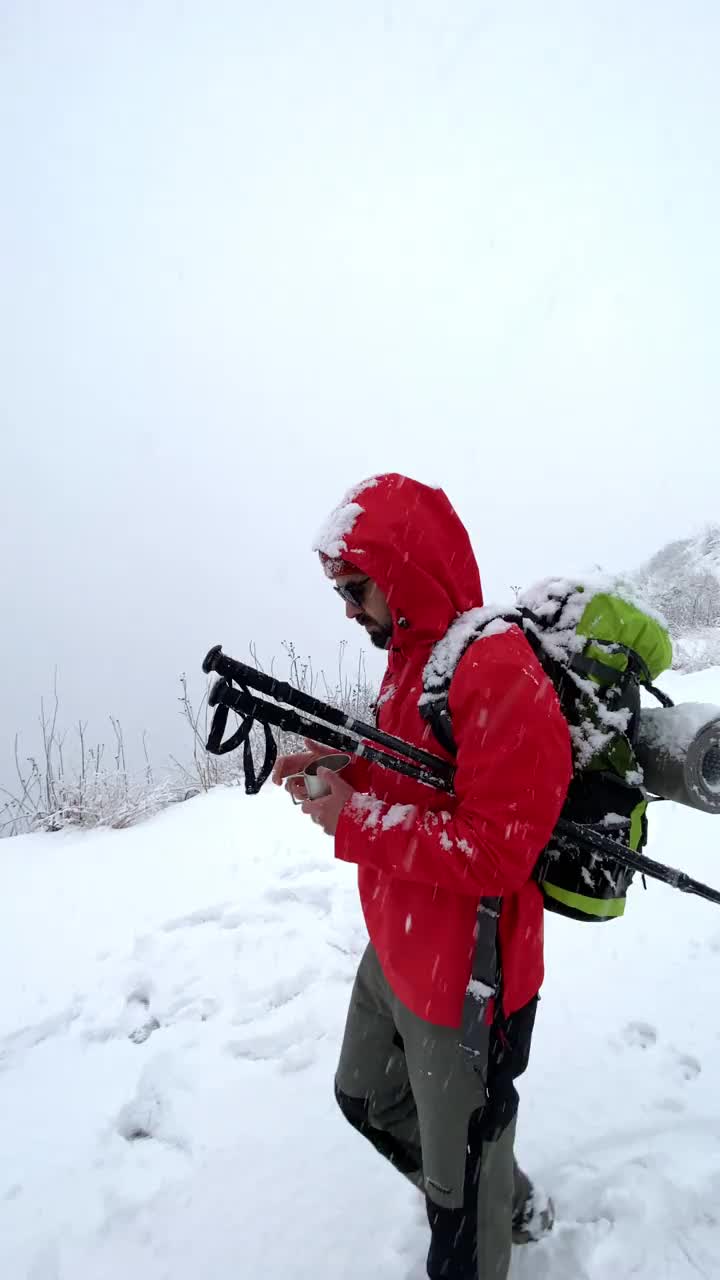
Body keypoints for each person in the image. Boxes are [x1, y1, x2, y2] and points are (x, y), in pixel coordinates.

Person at [272, 473, 572, 1280]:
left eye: (354, 587)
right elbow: (416, 779)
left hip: (469, 989)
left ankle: (482, 1203)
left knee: (460, 1229)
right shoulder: (412, 660)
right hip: (400, 954)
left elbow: (500, 850)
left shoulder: (497, 667)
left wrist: (353, 821)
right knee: (364, 1098)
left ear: (401, 570)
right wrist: (339, 771)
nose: (346, 608)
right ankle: (496, 1194)